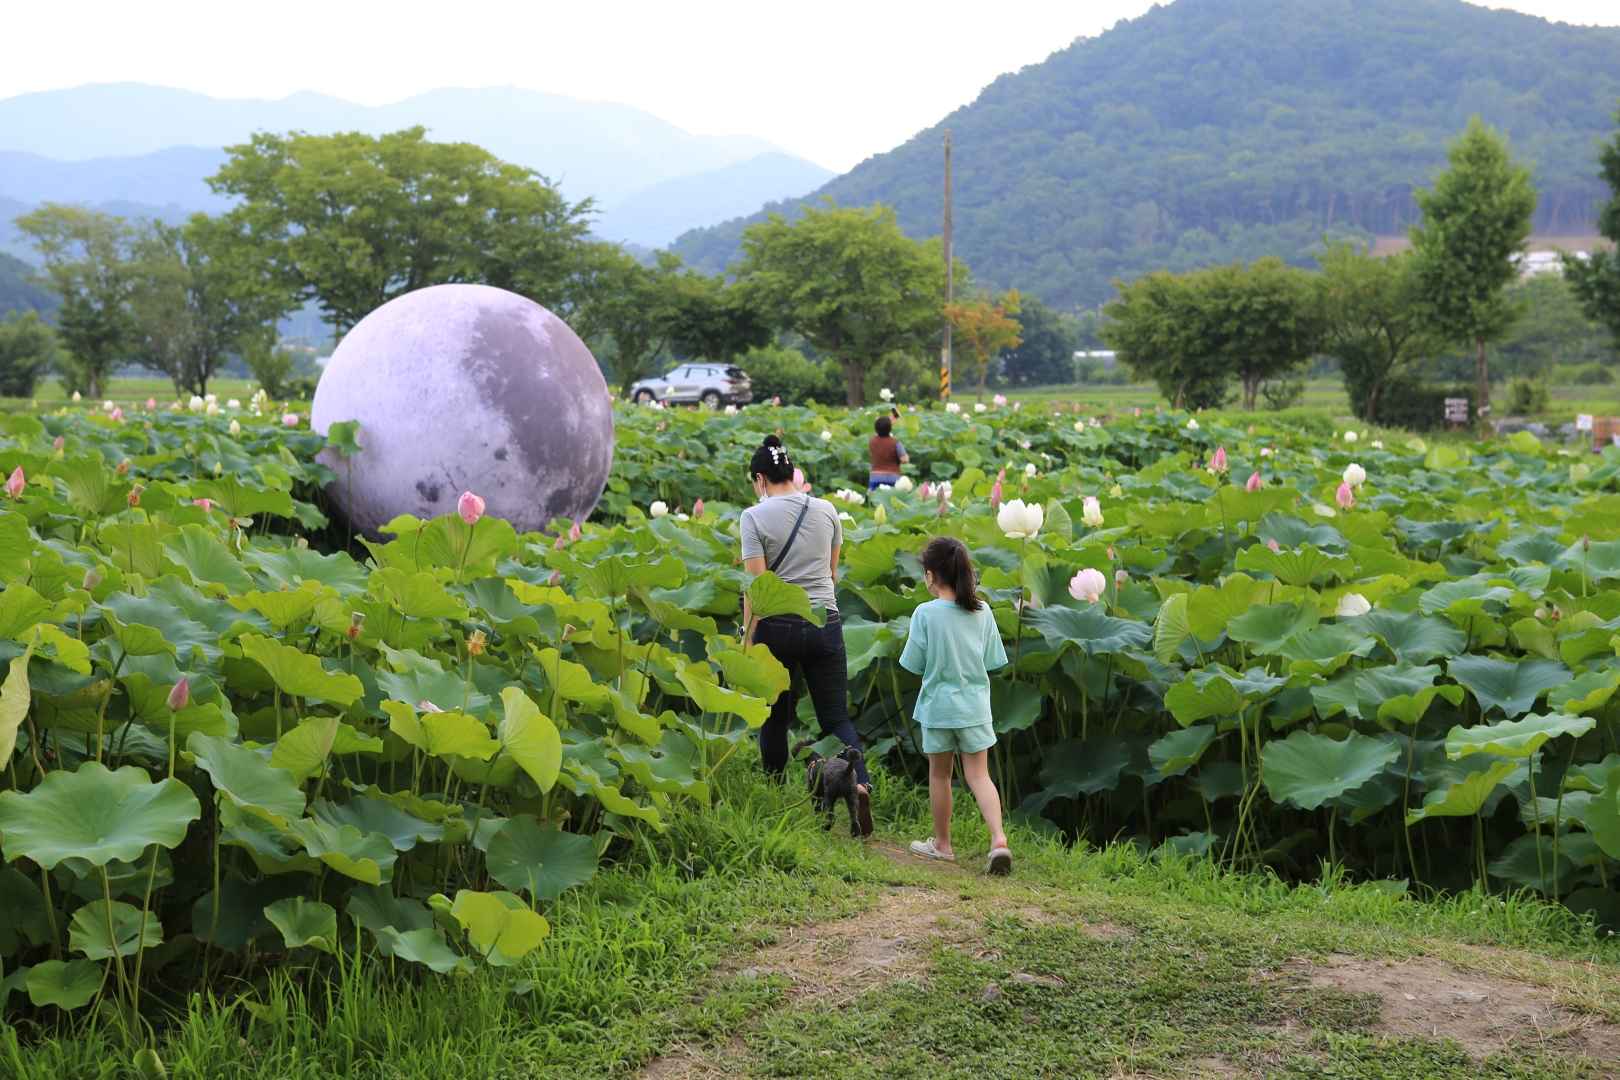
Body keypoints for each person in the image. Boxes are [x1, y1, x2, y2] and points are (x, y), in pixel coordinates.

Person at [740, 435, 873, 835]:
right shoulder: (827, 510)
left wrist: (748, 639)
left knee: (775, 716)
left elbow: (759, 589)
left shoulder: (752, 517)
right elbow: (831, 574)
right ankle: (861, 785)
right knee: (835, 717)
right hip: (823, 622)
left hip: (777, 627)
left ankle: (773, 788)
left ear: (760, 478)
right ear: (791, 473)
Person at [899, 537, 1012, 874]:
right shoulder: (983, 611)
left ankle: (943, 845)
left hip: (938, 709)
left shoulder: (924, 613)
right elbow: (992, 660)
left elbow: (912, 664)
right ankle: (999, 840)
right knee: (979, 775)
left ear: (931, 575)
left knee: (940, 775)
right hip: (975, 708)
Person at [867, 415, 910, 490]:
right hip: (892, 477)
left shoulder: (872, 441)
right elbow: (904, 460)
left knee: (874, 497)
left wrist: (885, 423)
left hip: (875, 477)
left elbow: (879, 430)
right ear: (890, 428)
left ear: (876, 428)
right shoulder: (895, 443)